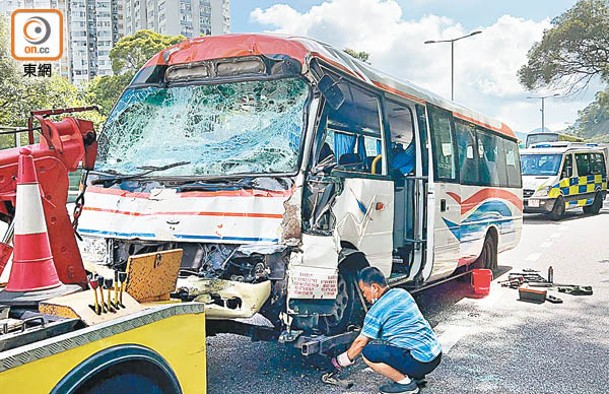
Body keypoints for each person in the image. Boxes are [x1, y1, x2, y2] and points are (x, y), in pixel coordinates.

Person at [332, 267, 442, 394]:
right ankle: (417, 377)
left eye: (364, 291)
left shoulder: (376, 311)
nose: (364, 296)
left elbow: (361, 342)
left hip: (419, 362)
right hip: (435, 355)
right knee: (398, 344)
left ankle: (406, 385)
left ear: (374, 287)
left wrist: (340, 361)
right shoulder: (402, 293)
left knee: (369, 352)